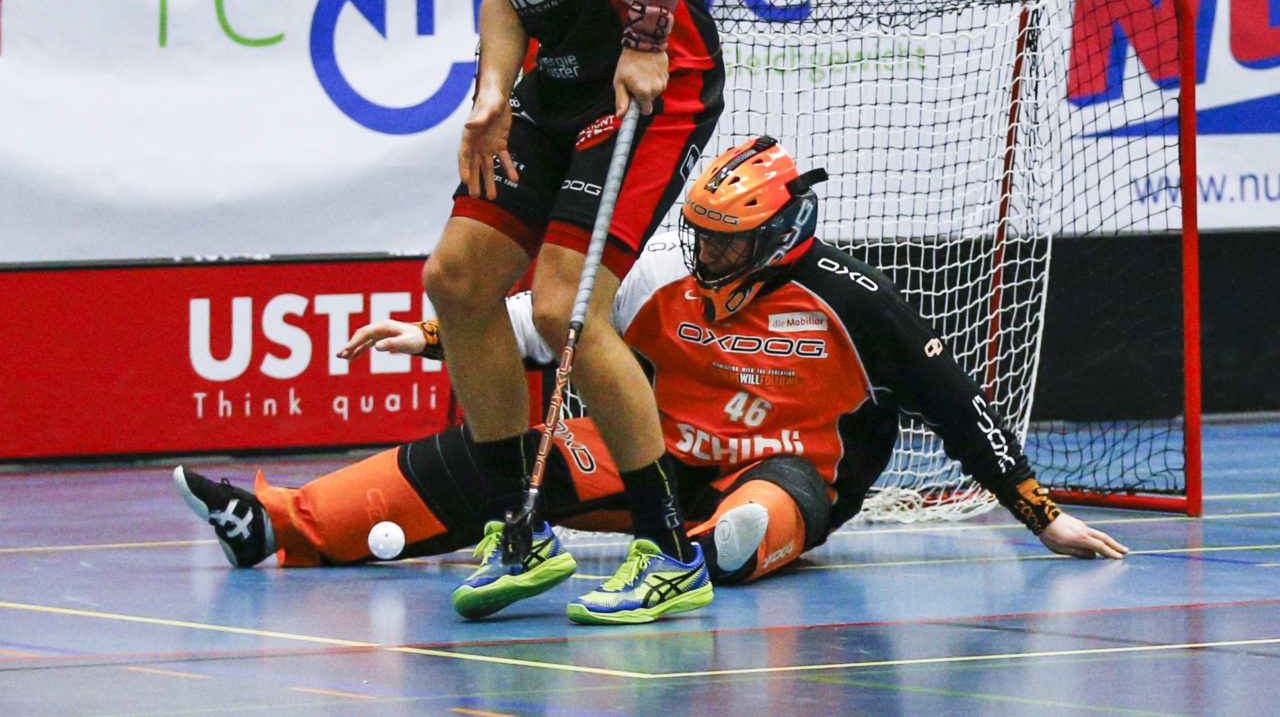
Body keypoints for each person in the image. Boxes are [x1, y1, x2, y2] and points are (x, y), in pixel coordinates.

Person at [173, 139, 1126, 617]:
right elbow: (538, 329)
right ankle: (277, 523)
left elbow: (959, 408)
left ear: (781, 234)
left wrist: (1044, 516)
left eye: (731, 239)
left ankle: (692, 563)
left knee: (758, 523)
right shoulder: (663, 276)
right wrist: (428, 332)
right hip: (656, 458)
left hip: (793, 474)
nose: (708, 250)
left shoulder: (858, 302)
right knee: (489, 459)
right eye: (703, 233)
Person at [417, 0, 725, 624]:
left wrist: (649, 34)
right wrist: (492, 90)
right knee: (456, 279)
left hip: (650, 76)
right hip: (553, 85)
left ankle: (670, 554)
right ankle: (519, 532)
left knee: (564, 308)